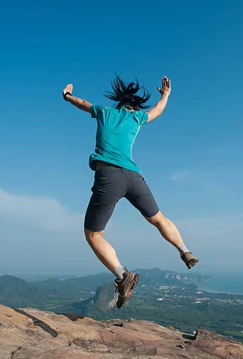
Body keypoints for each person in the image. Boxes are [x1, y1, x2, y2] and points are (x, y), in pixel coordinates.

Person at [62, 75, 199, 308]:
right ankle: (185, 251)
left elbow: (82, 103)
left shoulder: (105, 112)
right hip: (134, 177)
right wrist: (165, 95)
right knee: (158, 218)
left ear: (118, 105)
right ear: (134, 108)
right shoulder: (137, 118)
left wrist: (67, 95)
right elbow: (156, 111)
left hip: (109, 176)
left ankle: (122, 275)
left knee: (93, 235)